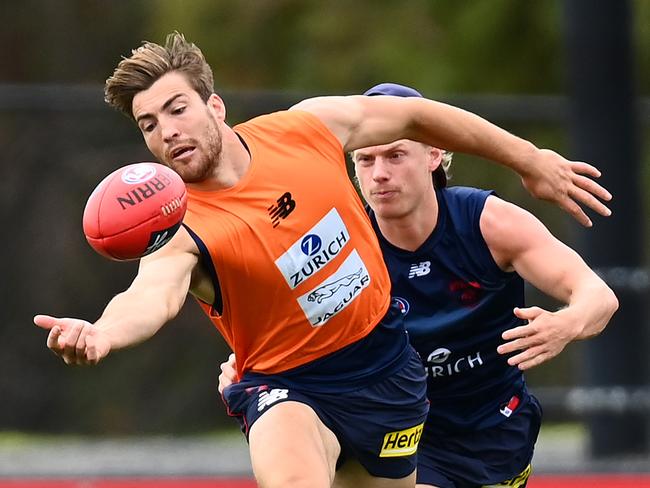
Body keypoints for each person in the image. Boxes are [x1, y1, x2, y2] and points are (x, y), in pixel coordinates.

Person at [34, 32, 613, 488]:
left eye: (177, 109)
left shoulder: (304, 130)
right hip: (288, 386)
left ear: (215, 105)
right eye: (149, 125)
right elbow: (151, 293)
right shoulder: (183, 228)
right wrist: (103, 332)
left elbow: (416, 116)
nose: (167, 132)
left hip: (387, 371)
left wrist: (529, 158)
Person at [220, 82, 618, 487]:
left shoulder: (488, 224)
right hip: (386, 424)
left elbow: (597, 296)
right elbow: (290, 331)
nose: (379, 174)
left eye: (395, 155)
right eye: (365, 159)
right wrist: (249, 369)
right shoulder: (341, 243)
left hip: (483, 440)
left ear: (434, 153)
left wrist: (564, 325)